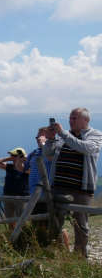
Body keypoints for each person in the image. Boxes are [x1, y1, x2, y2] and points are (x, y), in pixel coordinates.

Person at [44, 108, 102, 256]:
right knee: (55, 220)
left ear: (86, 120)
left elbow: (87, 148)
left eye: (74, 118)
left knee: (81, 224)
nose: (71, 121)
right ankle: (57, 254)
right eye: (70, 118)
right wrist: (50, 140)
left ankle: (80, 256)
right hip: (59, 186)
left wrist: (63, 134)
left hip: (81, 188)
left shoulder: (95, 135)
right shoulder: (64, 136)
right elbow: (48, 154)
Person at [0, 147, 29, 220]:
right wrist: (8, 159)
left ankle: (22, 231)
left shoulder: (27, 169)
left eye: (14, 155)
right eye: (12, 155)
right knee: (9, 219)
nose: (12, 157)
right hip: (8, 196)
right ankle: (11, 231)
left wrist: (22, 159)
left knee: (21, 219)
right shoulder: (9, 167)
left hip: (22, 197)